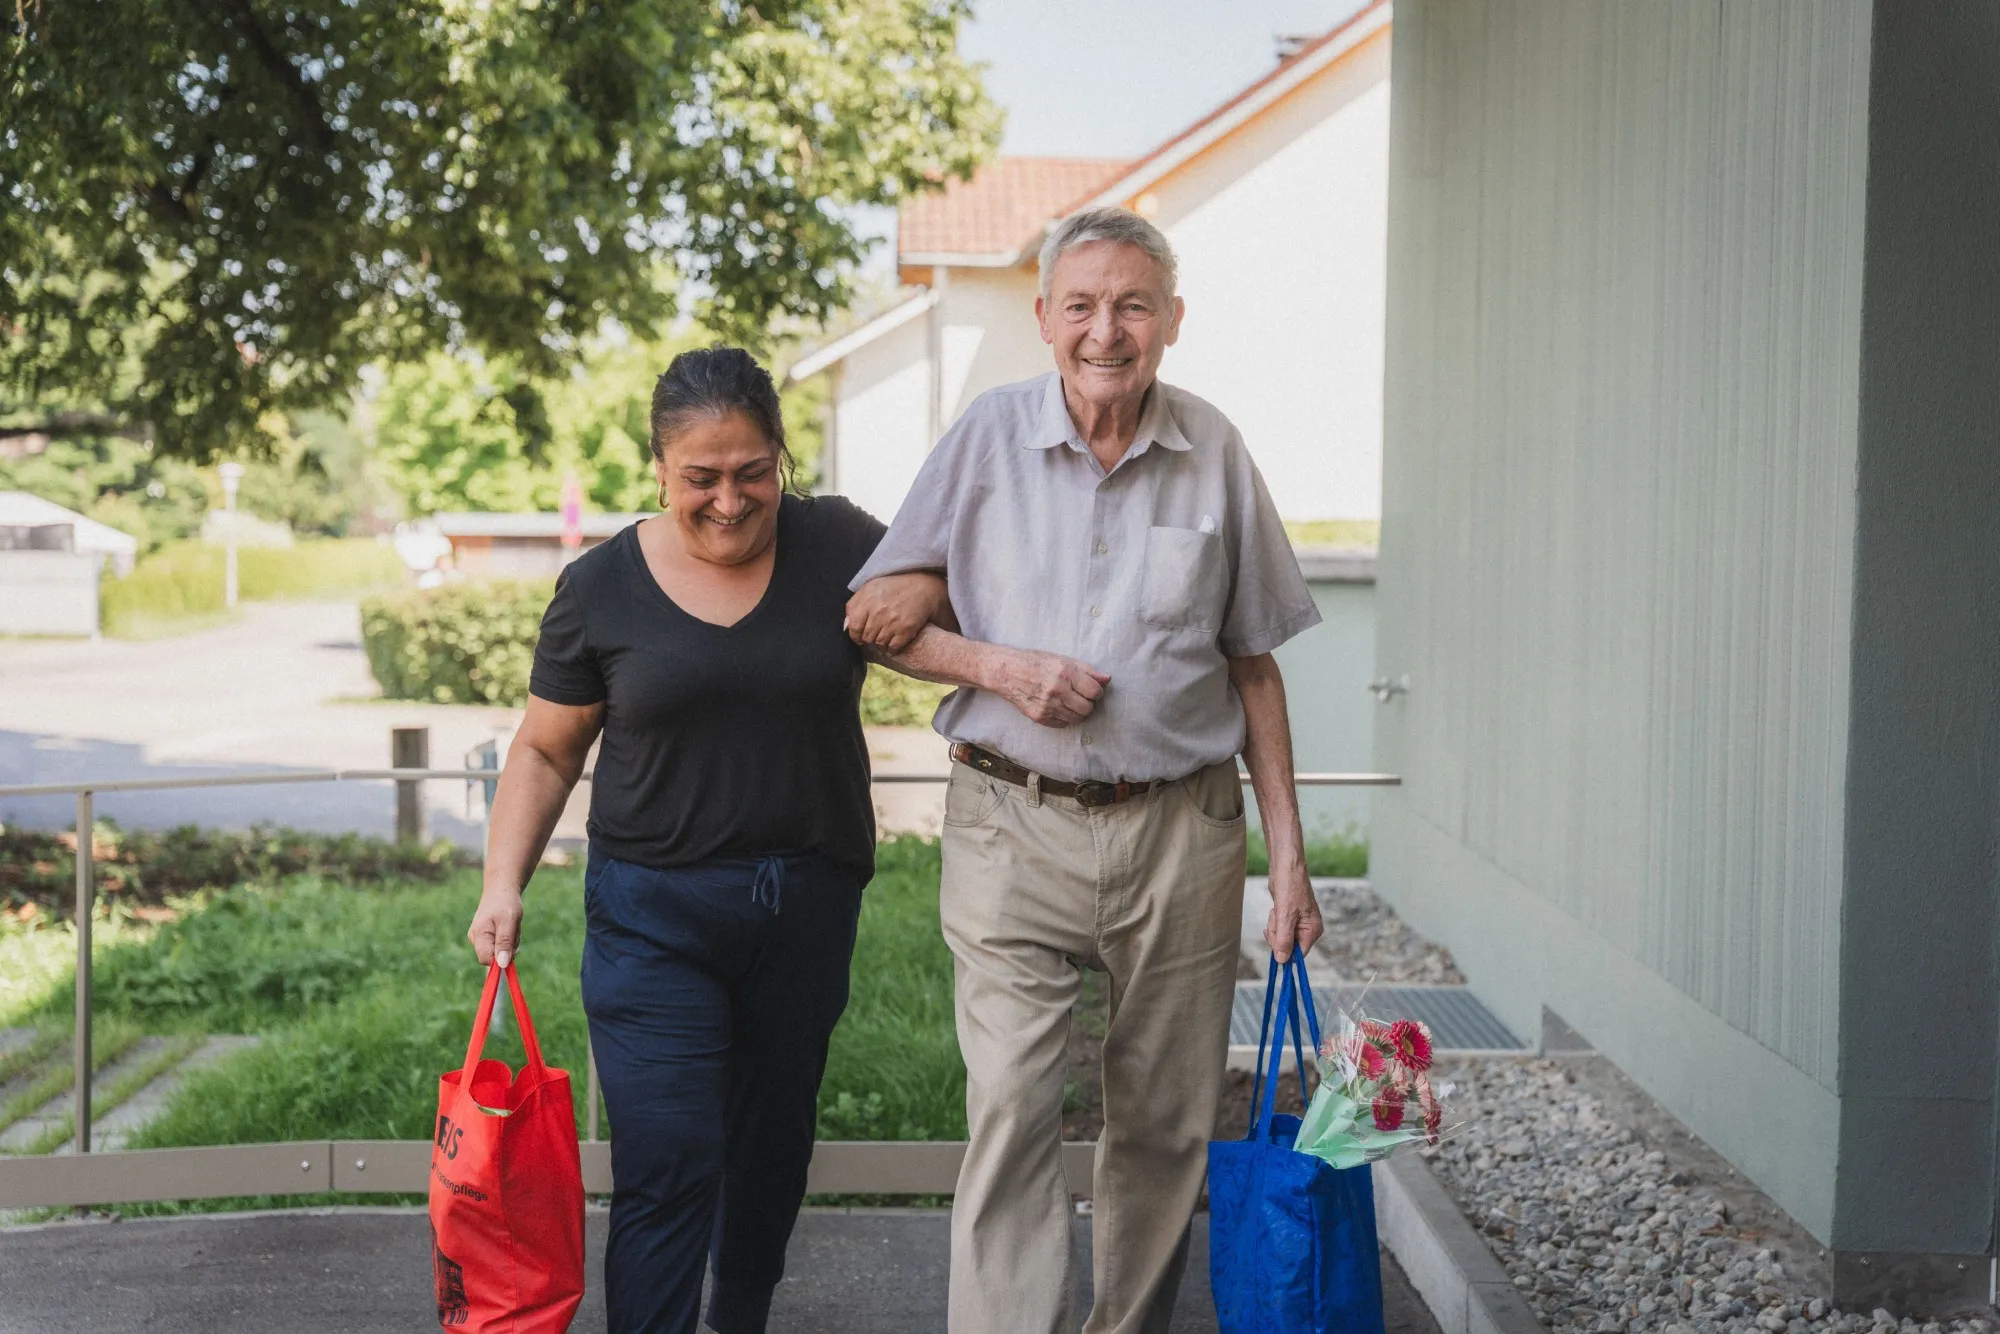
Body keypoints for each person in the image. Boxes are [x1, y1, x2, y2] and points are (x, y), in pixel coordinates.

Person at [845, 206, 1327, 1334]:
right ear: (1043, 317)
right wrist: (997, 666)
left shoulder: (1214, 449)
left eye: (1131, 305)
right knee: (1013, 1105)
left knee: (1162, 1117)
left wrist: (1290, 863)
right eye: (1081, 305)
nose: (1104, 330)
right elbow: (875, 616)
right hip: (1009, 820)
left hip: (1180, 830)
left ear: (1171, 320)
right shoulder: (984, 438)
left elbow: (1253, 668)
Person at [464, 345, 945, 1334]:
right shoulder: (600, 587)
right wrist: (501, 881)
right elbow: (547, 749)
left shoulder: (839, 541)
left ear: (781, 457)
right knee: (669, 1155)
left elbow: (944, 586)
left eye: (752, 472)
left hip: (806, 908)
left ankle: (737, 1315)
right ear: (659, 470)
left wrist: (925, 590)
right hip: (653, 916)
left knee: (769, 1148)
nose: (730, 500)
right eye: (702, 477)